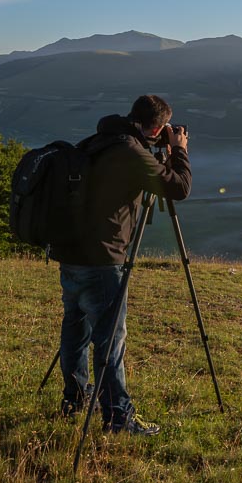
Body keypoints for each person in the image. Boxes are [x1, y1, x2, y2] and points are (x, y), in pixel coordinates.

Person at [49, 94, 192, 435]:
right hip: (102, 259)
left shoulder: (101, 139)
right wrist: (180, 150)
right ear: (158, 128)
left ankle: (76, 397)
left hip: (71, 252)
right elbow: (179, 188)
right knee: (110, 339)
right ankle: (118, 416)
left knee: (75, 328)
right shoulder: (130, 152)